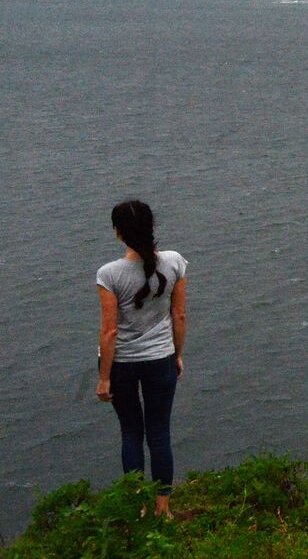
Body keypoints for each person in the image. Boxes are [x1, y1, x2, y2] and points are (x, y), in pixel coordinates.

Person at [95, 200, 188, 519]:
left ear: (118, 233)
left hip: (121, 365)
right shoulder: (175, 262)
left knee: (131, 434)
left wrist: (104, 377)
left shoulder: (109, 274)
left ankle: (139, 507)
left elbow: (109, 332)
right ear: (150, 228)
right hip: (160, 359)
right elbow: (179, 314)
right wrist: (178, 355)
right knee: (160, 433)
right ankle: (164, 508)